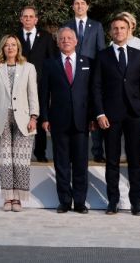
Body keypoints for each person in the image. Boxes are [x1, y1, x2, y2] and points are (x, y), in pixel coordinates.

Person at [94, 13, 140, 215]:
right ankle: (113, 201)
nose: (119, 31)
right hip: (111, 115)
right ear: (110, 32)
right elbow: (97, 87)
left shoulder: (138, 54)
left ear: (129, 30)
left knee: (135, 160)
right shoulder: (102, 55)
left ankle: (136, 202)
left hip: (134, 114)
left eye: (122, 28)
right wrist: (100, 113)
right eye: (115, 28)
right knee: (112, 160)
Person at [38, 27, 95, 214]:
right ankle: (64, 201)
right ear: (57, 42)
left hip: (82, 121)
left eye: (69, 38)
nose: (66, 40)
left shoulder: (88, 62)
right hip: (58, 121)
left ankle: (79, 202)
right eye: (62, 38)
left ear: (76, 41)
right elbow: (44, 94)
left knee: (80, 163)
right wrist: (44, 118)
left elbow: (92, 93)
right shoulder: (50, 64)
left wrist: (93, 117)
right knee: (61, 163)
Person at [0, 35, 39, 211]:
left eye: (13, 45)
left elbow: (33, 94)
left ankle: (18, 199)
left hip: (24, 118)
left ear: (18, 48)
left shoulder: (29, 68)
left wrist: (34, 117)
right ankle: (8, 198)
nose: (10, 48)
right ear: (2, 48)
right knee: (5, 160)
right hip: (1, 118)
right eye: (7, 45)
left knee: (21, 160)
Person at [64, 0, 106, 162]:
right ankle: (73, 153)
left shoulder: (96, 26)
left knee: (94, 111)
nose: (80, 6)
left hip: (92, 73)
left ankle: (97, 152)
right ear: (73, 7)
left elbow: (101, 50)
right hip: (72, 73)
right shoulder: (67, 25)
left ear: (87, 6)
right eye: (76, 3)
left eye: (82, 3)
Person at [18, 5, 57, 163]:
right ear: (21, 19)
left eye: (31, 16)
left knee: (40, 117)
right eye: (25, 16)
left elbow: (52, 59)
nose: (28, 19)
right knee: (21, 117)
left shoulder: (46, 37)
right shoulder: (15, 37)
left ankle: (40, 152)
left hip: (41, 84)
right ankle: (23, 152)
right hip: (20, 84)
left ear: (36, 19)